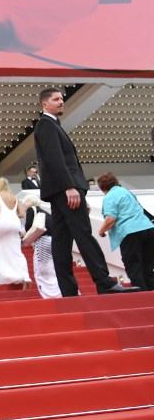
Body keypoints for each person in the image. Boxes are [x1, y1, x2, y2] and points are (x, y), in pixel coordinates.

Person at [33, 88, 138, 295]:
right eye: (56, 99)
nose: (61, 101)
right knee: (83, 234)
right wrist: (69, 186)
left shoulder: (51, 125)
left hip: (60, 190)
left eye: (62, 98)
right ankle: (104, 283)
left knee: (62, 240)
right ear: (45, 104)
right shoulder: (46, 125)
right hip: (65, 188)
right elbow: (55, 159)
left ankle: (68, 291)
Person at [97, 172, 154, 291]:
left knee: (133, 265)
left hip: (130, 232)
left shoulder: (110, 196)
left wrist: (101, 231)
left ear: (102, 187)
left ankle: (141, 294)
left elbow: (111, 219)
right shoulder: (127, 192)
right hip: (148, 229)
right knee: (147, 265)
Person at [0, 178, 31, 287]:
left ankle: (8, 276)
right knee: (16, 251)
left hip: (2, 222)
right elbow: (22, 214)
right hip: (14, 223)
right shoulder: (14, 197)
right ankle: (24, 275)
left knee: (1, 250)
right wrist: (12, 216)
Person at [22, 193, 62, 298]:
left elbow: (28, 226)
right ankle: (58, 291)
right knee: (51, 267)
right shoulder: (45, 213)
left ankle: (51, 294)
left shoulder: (31, 210)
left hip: (42, 242)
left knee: (42, 269)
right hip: (52, 241)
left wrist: (24, 235)